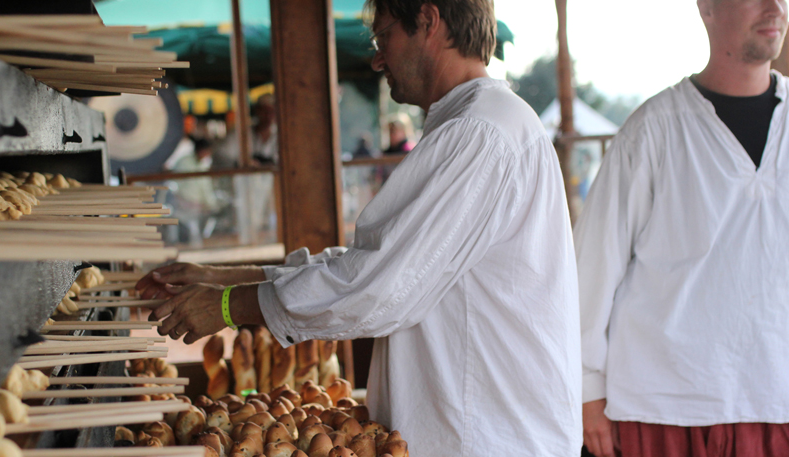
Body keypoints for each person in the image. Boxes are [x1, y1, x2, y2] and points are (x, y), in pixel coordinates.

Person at [136, 1, 581, 455]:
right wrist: (222, 278)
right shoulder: (478, 125)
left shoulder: (480, 133)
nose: (377, 58)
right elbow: (370, 265)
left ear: (427, 21)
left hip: (485, 438)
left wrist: (229, 307)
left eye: (383, 35)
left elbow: (376, 288)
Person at [576, 1, 789, 456]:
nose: (775, 7)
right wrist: (586, 389)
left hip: (778, 397)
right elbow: (593, 268)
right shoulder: (653, 130)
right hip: (665, 407)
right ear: (707, 7)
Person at [212, 94, 279, 244]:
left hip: (271, 201)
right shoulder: (241, 133)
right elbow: (221, 157)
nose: (269, 116)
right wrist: (242, 164)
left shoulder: (280, 136)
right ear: (258, 111)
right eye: (266, 111)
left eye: (273, 112)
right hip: (242, 196)